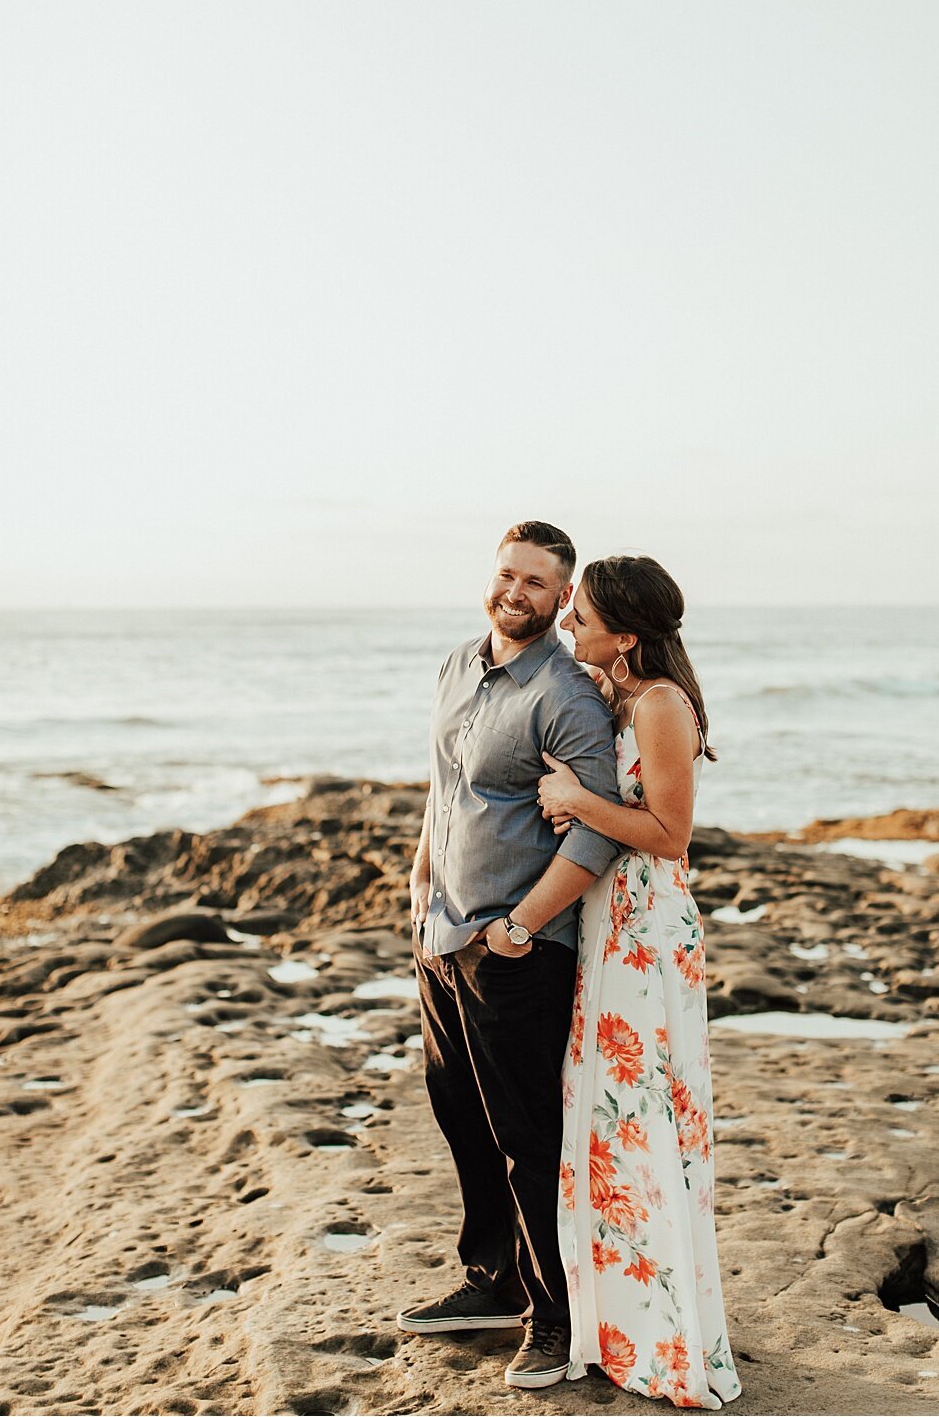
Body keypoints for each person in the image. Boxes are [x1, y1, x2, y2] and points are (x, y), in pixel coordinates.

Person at [396, 521, 622, 1390]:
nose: (514, 592)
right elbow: (444, 785)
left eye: (536, 582)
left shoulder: (568, 695)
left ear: (563, 597)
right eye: (506, 574)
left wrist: (520, 925)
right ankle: (491, 1281)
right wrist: (420, 879)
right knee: (459, 1113)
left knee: (529, 1134)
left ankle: (556, 1320)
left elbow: (595, 834)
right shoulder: (457, 663)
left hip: (515, 950)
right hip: (442, 934)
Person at [538, 555, 742, 1409]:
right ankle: (620, 1325)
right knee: (604, 1124)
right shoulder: (616, 697)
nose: (567, 626)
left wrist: (578, 800)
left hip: (646, 932)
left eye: (579, 616)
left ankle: (665, 1339)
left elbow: (668, 833)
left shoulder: (660, 704)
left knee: (643, 1123)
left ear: (626, 635)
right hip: (607, 928)